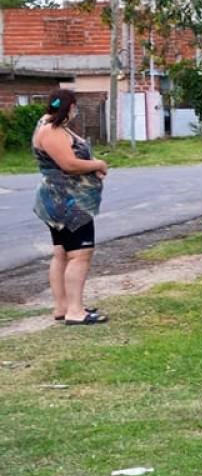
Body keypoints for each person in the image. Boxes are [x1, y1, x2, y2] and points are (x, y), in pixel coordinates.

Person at [32, 88, 109, 326]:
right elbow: (69, 164)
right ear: (71, 107)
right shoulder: (51, 130)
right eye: (74, 107)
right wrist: (98, 164)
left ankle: (63, 306)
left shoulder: (50, 125)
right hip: (69, 202)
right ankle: (75, 311)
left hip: (60, 198)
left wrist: (91, 168)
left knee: (62, 253)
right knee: (80, 254)